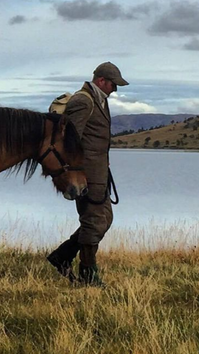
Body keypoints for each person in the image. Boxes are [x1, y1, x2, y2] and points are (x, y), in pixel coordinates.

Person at [47, 61, 127, 286]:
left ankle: (63, 256)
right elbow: (70, 141)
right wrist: (75, 173)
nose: (115, 89)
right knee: (93, 221)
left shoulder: (98, 99)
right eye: (114, 84)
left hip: (99, 173)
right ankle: (87, 273)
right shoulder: (83, 101)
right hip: (85, 175)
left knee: (105, 219)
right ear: (101, 81)